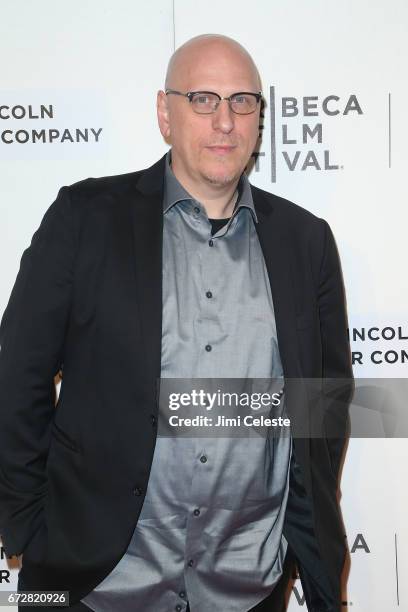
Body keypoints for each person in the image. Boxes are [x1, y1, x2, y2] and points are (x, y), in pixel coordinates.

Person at [0, 34, 352, 611]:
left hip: (248, 585)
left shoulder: (305, 241)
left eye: (242, 102)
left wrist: (303, 547)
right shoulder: (84, 219)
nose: (224, 122)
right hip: (92, 583)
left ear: (259, 119)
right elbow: (16, 380)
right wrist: (26, 526)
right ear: (166, 113)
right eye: (203, 99)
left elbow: (321, 408)